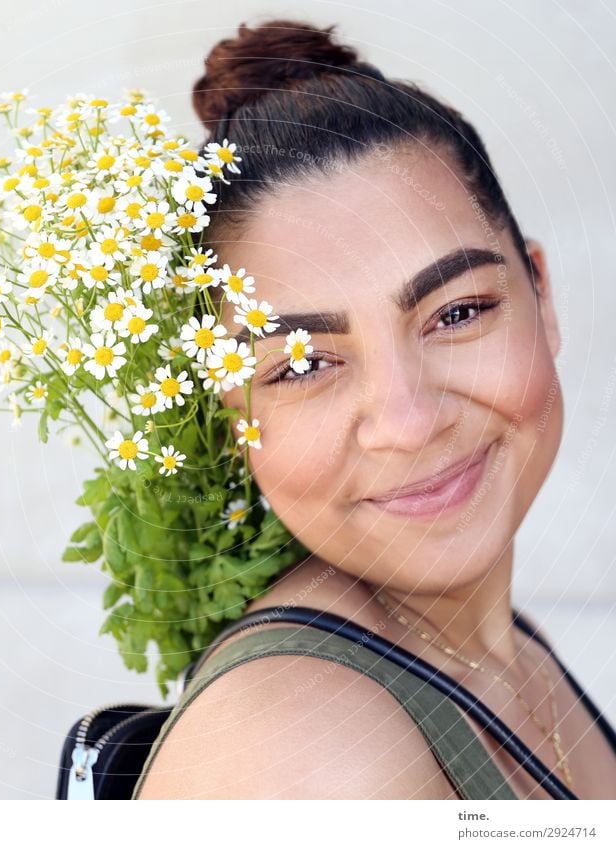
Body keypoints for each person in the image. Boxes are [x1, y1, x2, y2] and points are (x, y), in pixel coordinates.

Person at [133, 17, 616, 800]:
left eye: (456, 313)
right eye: (307, 364)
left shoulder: (507, 653)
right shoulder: (309, 753)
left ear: (541, 293)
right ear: (227, 415)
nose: (409, 419)